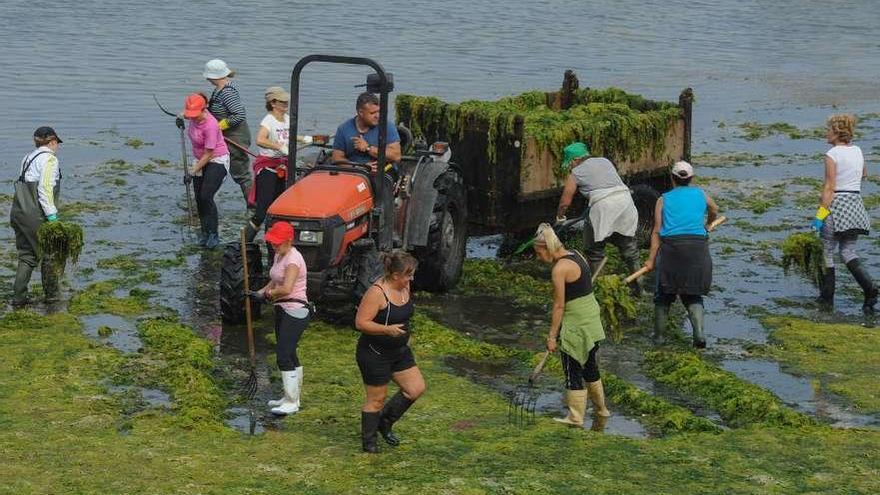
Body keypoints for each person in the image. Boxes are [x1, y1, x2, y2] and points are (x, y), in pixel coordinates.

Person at [532, 223, 610, 427]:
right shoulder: (576, 255)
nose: (538, 258)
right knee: (590, 367)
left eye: (539, 253)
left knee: (572, 368)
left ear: (547, 249)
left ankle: (575, 417)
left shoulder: (559, 269)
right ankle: (601, 410)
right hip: (591, 319)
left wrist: (551, 337)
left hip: (576, 325)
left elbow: (559, 306)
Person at [354, 251, 425, 453]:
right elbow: (360, 323)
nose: (411, 279)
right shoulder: (377, 293)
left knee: (415, 388)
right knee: (376, 400)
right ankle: (369, 445)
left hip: (399, 351)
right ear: (395, 275)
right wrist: (387, 329)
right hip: (374, 354)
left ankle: (384, 423)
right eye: (408, 275)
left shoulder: (405, 286)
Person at [644, 161, 720, 348]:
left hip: (672, 249)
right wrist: (708, 224)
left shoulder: (663, 199)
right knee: (693, 295)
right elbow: (714, 209)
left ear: (672, 178)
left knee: (664, 295)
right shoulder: (701, 194)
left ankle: (659, 338)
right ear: (691, 178)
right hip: (698, 248)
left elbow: (656, 231)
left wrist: (650, 260)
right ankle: (699, 336)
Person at [556, 142, 641, 294]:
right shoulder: (604, 161)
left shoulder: (576, 173)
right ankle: (638, 287)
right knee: (629, 249)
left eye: (569, 163)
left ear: (575, 160)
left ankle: (600, 289)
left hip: (603, 207)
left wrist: (560, 217)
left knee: (594, 251)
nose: (569, 166)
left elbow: (565, 202)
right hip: (625, 201)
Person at [813, 114, 876, 313]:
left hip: (837, 205)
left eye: (829, 129)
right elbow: (864, 174)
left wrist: (820, 216)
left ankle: (827, 298)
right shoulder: (857, 150)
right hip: (855, 205)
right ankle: (870, 289)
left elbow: (829, 187)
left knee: (826, 251)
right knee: (848, 250)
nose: (826, 133)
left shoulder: (832, 154)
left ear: (836, 132)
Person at [251, 221, 310, 415]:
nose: (274, 246)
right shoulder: (279, 254)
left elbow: (286, 288)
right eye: (273, 243)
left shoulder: (294, 259)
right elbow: (275, 280)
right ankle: (290, 396)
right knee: (290, 353)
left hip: (295, 310)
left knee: (283, 356)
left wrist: (266, 296)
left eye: (278, 243)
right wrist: (257, 292)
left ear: (289, 241)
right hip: (282, 309)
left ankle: (292, 402)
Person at [332, 92, 401, 250]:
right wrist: (357, 167)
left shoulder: (386, 127)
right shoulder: (344, 129)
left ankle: (384, 235)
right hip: (353, 171)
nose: (377, 116)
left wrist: (368, 148)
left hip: (382, 170)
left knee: (382, 185)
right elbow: (337, 157)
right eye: (372, 113)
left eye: (379, 112)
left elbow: (396, 155)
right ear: (360, 113)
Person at [10, 127, 64, 307]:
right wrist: (53, 217)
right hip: (35, 216)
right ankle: (52, 298)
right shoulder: (50, 160)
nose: (57, 148)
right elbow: (45, 190)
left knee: (27, 255)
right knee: (51, 254)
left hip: (18, 212)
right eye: (57, 144)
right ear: (53, 142)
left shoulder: (27, 158)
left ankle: (19, 298)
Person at [183, 93, 230, 249]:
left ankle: (213, 234)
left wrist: (191, 171)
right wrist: (179, 119)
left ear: (204, 110)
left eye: (195, 115)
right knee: (198, 198)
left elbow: (209, 153)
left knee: (206, 195)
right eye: (191, 115)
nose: (193, 118)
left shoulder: (211, 124)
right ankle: (204, 232)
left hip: (216, 159)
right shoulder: (192, 116)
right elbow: (183, 114)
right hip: (199, 160)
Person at [204, 59, 252, 206]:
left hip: (235, 139)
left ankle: (254, 205)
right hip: (223, 138)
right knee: (212, 168)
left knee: (241, 174)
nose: (206, 78)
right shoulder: (218, 90)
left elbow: (238, 115)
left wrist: (218, 127)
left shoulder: (228, 92)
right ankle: (205, 199)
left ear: (213, 76)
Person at [246, 86, 290, 243]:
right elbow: (260, 140)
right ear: (273, 103)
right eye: (282, 101)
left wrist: (305, 139)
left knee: (280, 209)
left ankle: (275, 242)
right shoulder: (268, 121)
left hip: (283, 167)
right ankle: (244, 244)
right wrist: (278, 146)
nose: (286, 103)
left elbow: (289, 136)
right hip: (268, 169)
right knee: (262, 211)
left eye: (286, 100)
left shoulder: (287, 119)